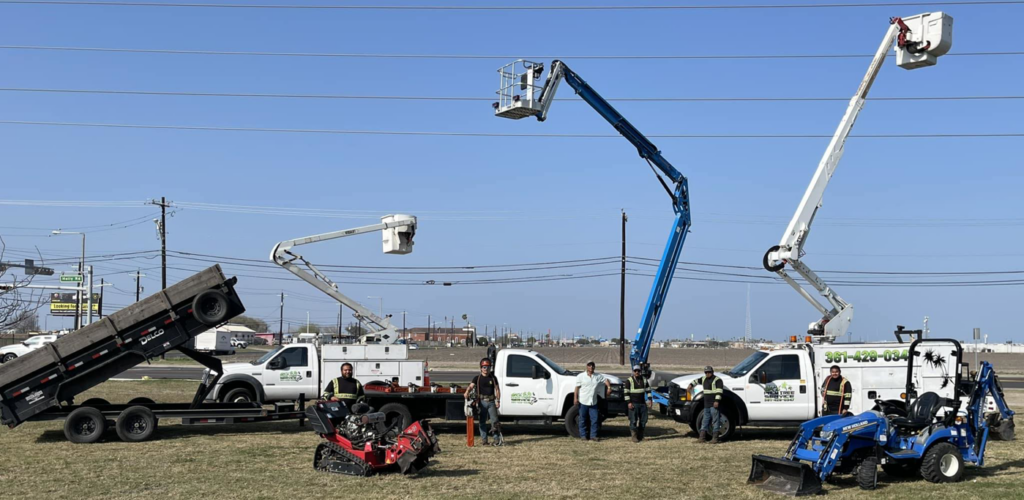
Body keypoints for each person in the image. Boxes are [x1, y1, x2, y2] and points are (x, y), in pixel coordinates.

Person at [466, 358, 501, 445]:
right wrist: (467, 392)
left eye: (488, 367)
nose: (486, 369)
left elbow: (497, 389)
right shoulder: (477, 378)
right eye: (484, 367)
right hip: (481, 402)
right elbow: (470, 387)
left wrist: (498, 400)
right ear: (481, 368)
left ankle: (496, 439)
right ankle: (484, 440)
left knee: (495, 422)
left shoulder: (493, 378)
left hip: (492, 402)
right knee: (482, 422)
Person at [574, 361, 611, 442]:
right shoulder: (580, 376)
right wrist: (575, 398)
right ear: (587, 366)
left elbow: (606, 380)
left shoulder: (597, 376)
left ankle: (593, 436)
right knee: (582, 419)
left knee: (595, 419)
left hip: (593, 402)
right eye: (589, 365)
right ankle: (583, 436)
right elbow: (577, 388)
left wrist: (608, 387)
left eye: (592, 366)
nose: (591, 367)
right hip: (583, 401)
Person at [688, 365, 724, 443]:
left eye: (709, 372)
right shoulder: (703, 379)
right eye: (706, 372)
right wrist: (690, 385)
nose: (707, 374)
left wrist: (717, 401)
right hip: (706, 404)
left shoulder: (717, 380)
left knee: (715, 420)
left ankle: (715, 438)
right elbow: (696, 381)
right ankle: (702, 437)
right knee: (705, 421)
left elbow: (719, 391)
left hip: (714, 404)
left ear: (712, 372)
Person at [626, 365, 653, 443]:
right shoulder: (629, 381)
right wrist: (629, 403)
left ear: (640, 371)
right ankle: (634, 436)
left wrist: (650, 400)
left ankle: (640, 436)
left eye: (638, 371)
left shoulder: (644, 380)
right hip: (633, 404)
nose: (637, 372)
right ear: (633, 371)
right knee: (633, 420)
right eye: (635, 371)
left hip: (642, 404)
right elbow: (626, 393)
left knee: (643, 420)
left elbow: (648, 390)